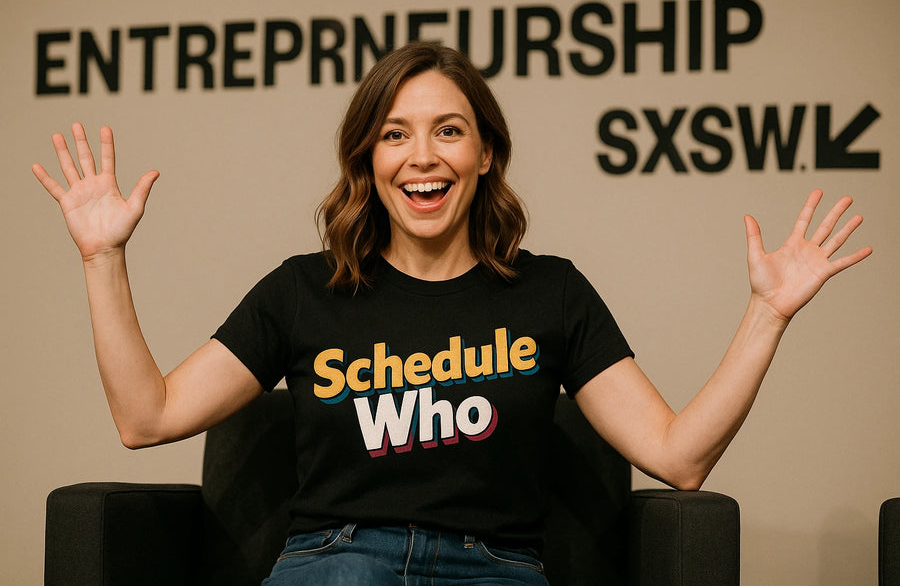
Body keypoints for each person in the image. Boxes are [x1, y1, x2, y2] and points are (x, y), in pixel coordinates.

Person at [32, 42, 872, 586]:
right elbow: (146, 418)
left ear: (485, 153)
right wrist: (103, 258)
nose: (422, 157)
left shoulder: (552, 293)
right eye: (395, 134)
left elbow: (679, 457)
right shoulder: (302, 290)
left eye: (449, 131)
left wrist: (767, 314)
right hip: (335, 565)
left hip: (494, 569)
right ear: (368, 157)